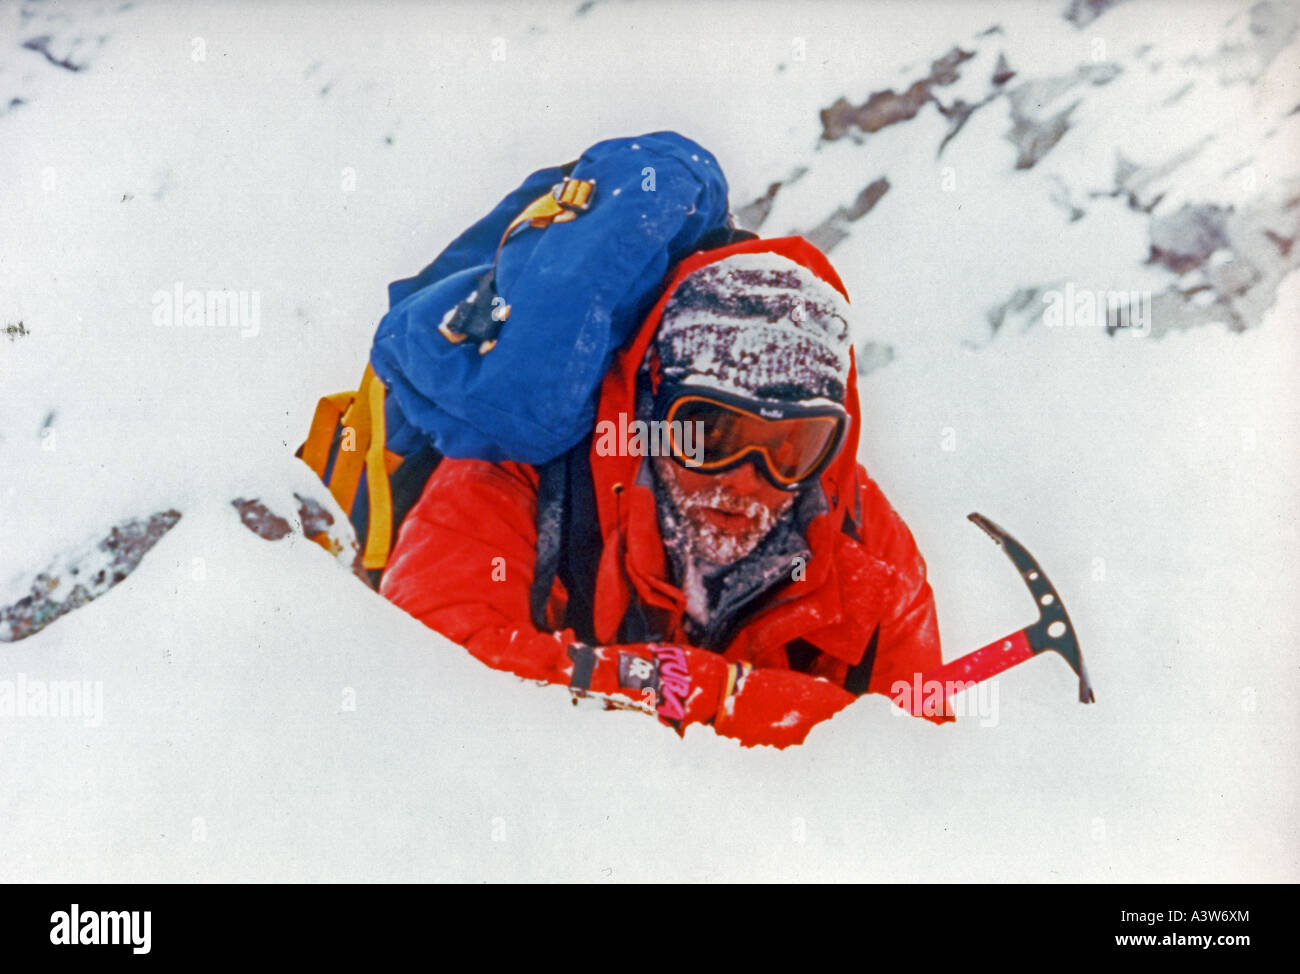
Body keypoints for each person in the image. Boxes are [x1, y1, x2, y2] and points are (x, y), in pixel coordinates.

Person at [380, 235, 945, 748]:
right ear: (650, 409)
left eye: (791, 445)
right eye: (709, 433)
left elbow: (913, 777)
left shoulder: (872, 559)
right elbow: (430, 674)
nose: (746, 477)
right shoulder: (522, 476)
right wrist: (716, 694)